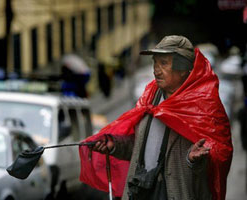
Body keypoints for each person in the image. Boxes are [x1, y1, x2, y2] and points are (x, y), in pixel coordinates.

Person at [79, 35, 233, 200]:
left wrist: (193, 161)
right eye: (155, 62)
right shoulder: (151, 100)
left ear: (183, 68)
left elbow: (217, 163)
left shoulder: (202, 108)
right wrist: (115, 144)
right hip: (141, 191)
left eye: (164, 63)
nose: (156, 70)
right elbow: (140, 149)